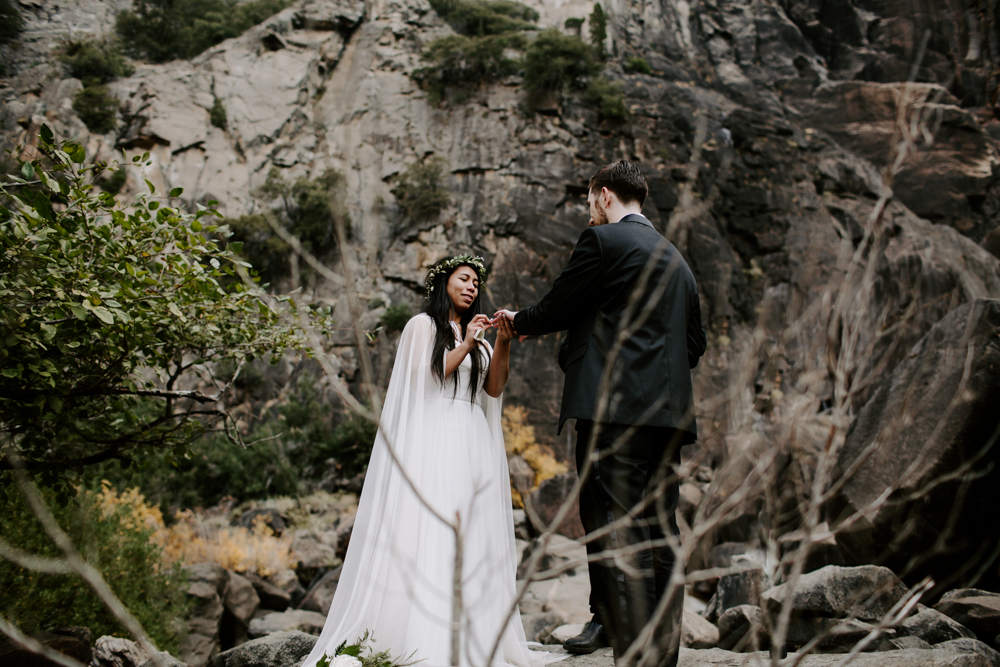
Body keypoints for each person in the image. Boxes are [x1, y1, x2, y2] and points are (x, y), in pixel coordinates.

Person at [495, 160, 707, 667]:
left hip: (612, 413)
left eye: (591, 201)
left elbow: (562, 304)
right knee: (660, 532)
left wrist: (517, 321)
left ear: (605, 196)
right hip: (668, 418)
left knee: (616, 530)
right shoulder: (680, 262)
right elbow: (692, 345)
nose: (589, 211)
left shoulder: (603, 243)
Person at [301, 255, 560, 667]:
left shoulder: (481, 337)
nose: (473, 287)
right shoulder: (422, 326)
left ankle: (475, 634)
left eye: (477, 282)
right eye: (464, 279)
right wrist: (469, 343)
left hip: (472, 436)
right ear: (443, 283)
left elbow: (493, 390)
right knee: (435, 526)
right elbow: (429, 375)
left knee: (474, 532)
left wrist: (503, 342)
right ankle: (425, 637)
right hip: (437, 435)